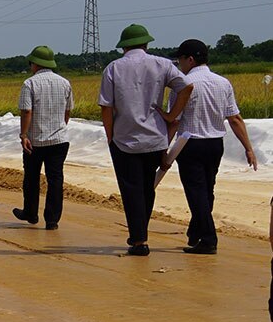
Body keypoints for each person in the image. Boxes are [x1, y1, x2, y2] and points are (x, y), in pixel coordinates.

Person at [98, 23, 194, 256]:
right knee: (147, 187)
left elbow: (106, 107)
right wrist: (171, 116)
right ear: (146, 44)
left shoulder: (114, 68)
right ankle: (141, 232)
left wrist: (110, 136)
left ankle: (139, 240)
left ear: (124, 47)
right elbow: (186, 87)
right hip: (155, 138)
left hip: (124, 139)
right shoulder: (162, 64)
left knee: (131, 189)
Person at [167, 38, 259, 255]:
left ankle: (208, 239)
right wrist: (248, 147)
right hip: (215, 144)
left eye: (180, 59)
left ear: (190, 59)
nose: (179, 64)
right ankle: (196, 231)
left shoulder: (182, 84)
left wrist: (164, 148)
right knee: (208, 190)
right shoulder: (223, 82)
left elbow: (175, 120)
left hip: (190, 144)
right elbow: (235, 118)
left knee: (196, 192)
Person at [14, 45, 73, 229]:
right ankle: (52, 220)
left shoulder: (29, 84)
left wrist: (24, 134)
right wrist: (60, 128)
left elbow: (26, 111)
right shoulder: (64, 83)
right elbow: (67, 111)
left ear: (35, 64)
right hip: (59, 140)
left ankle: (31, 213)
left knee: (31, 177)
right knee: (55, 179)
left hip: (35, 140)